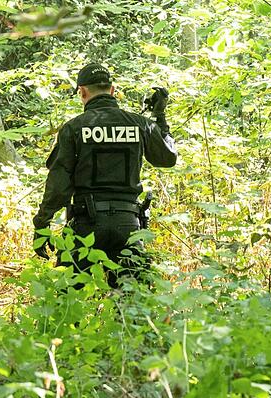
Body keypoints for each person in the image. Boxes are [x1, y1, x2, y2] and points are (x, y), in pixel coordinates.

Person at [33, 64, 177, 285]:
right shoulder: (140, 124)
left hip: (85, 225)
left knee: (69, 296)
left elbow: (59, 184)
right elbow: (167, 159)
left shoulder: (74, 128)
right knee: (132, 298)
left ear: (82, 92)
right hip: (128, 224)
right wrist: (159, 117)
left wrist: (42, 223)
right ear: (112, 90)